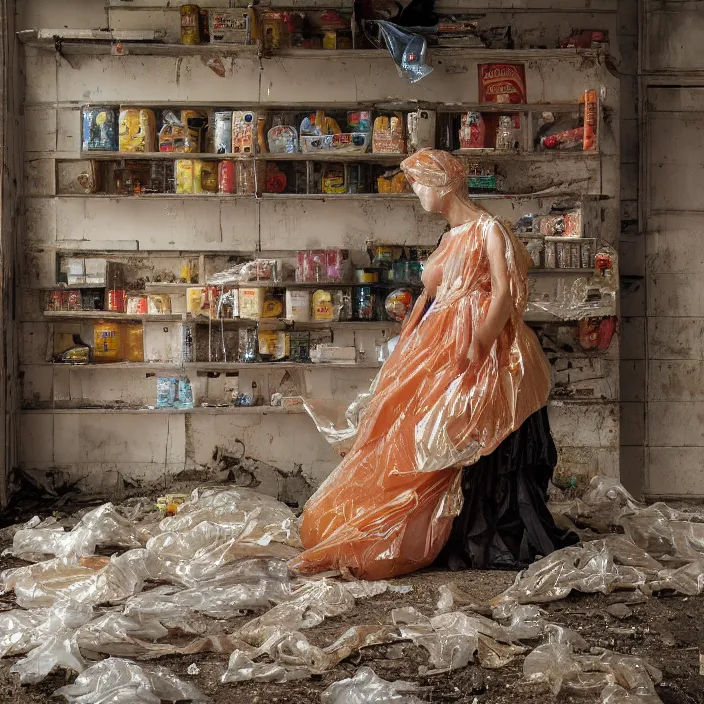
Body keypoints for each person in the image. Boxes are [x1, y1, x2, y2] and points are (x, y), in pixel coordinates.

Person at [289, 149, 577, 581]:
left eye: (420, 184)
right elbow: (434, 298)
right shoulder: (449, 236)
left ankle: (462, 528)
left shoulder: (488, 229)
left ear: (443, 182)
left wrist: (478, 344)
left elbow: (504, 292)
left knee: (453, 426)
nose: (417, 194)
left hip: (477, 348)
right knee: (408, 429)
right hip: (435, 347)